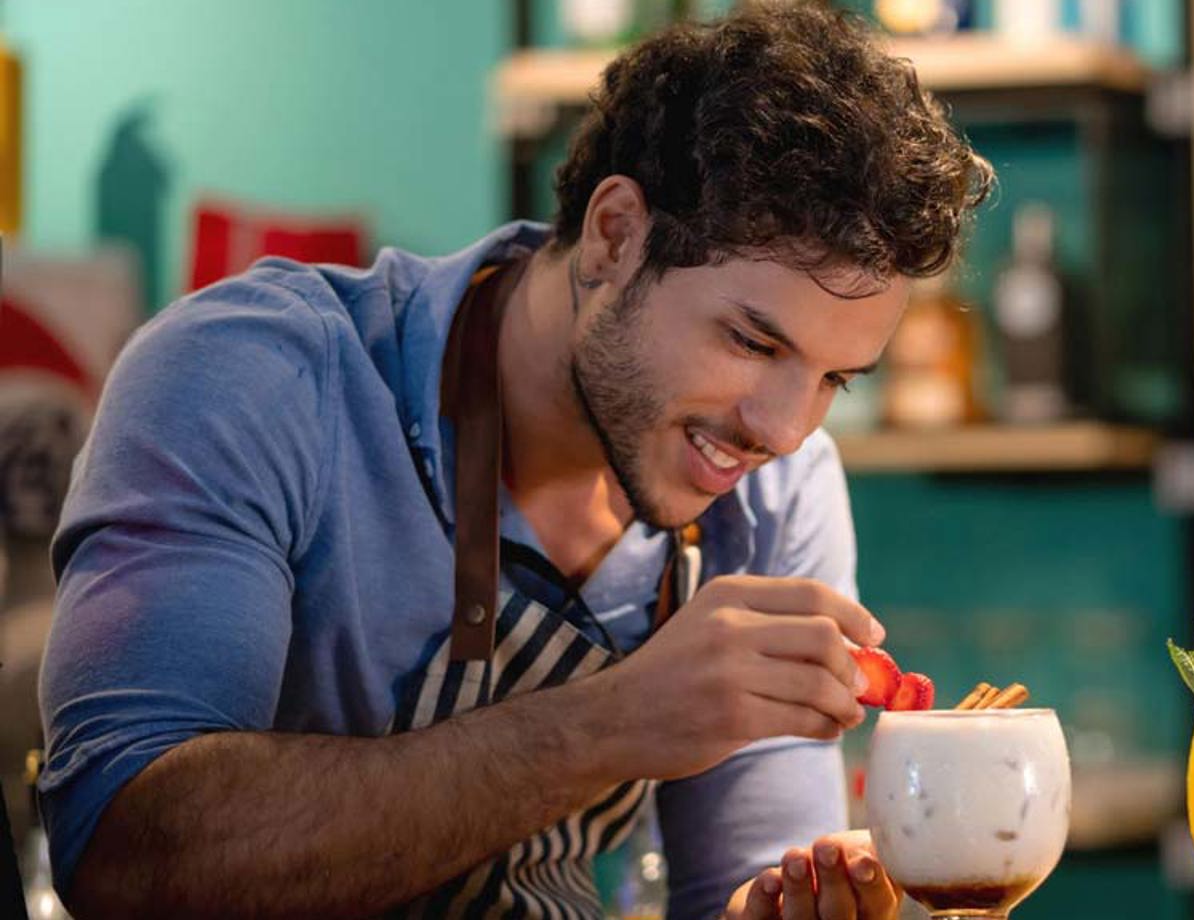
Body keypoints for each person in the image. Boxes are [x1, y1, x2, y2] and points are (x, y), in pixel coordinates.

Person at [36, 5, 992, 918]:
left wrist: (795, 902)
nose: (784, 429)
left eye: (836, 379)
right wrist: (606, 725)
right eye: (751, 342)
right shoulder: (254, 379)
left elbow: (743, 881)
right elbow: (125, 853)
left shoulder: (777, 493)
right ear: (616, 236)